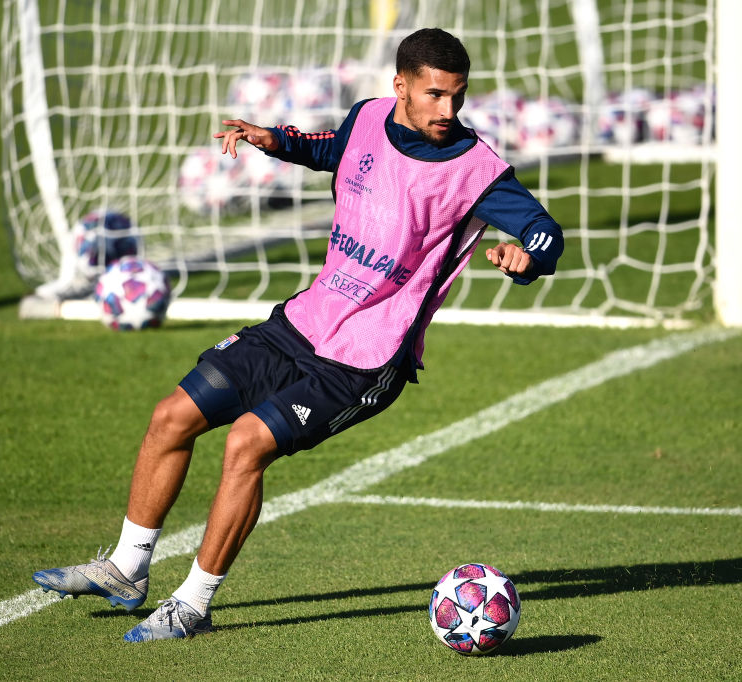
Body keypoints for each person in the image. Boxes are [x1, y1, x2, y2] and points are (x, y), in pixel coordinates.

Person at [32, 27, 563, 642]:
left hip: (367, 358)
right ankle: (126, 568)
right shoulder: (367, 116)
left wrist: (528, 258)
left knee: (245, 444)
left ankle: (194, 603)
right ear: (400, 88)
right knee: (172, 415)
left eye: (458, 97)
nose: (450, 111)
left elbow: (546, 232)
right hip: (304, 321)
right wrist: (275, 141)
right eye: (437, 95)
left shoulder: (477, 169)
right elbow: (332, 149)